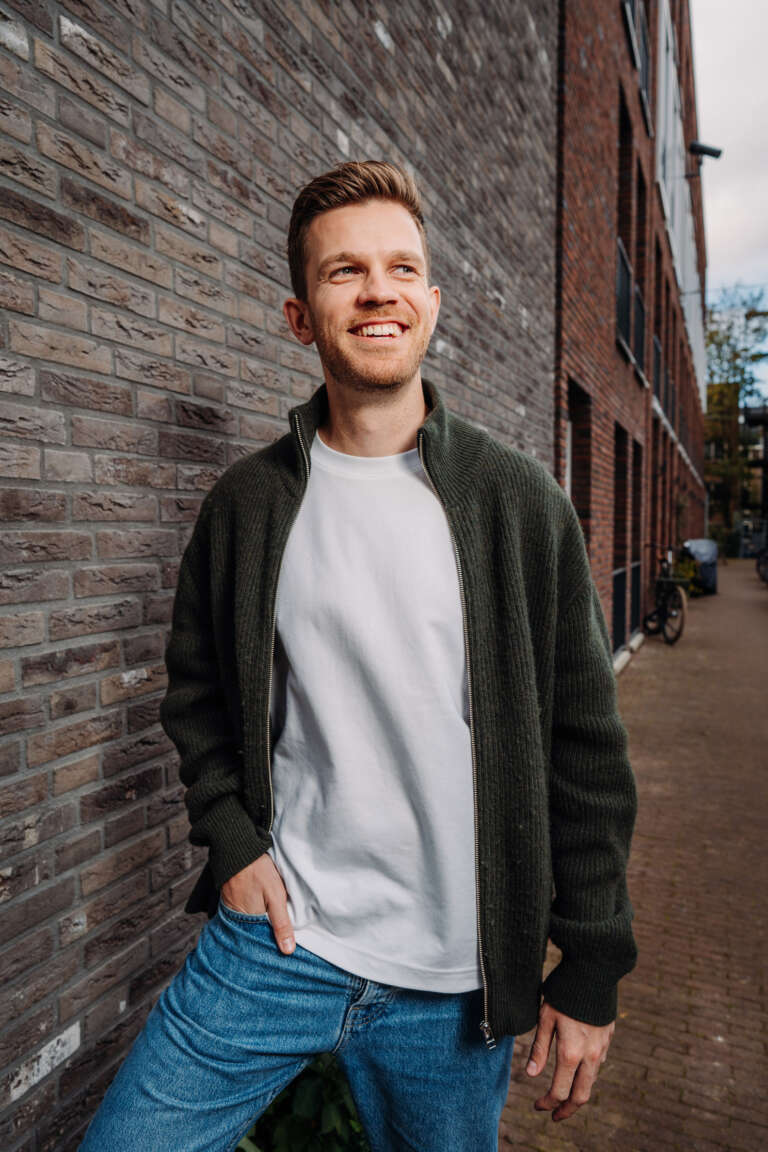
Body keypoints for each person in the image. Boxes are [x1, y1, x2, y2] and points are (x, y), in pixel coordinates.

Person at [79, 160, 637, 1152]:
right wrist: (234, 843)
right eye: (344, 273)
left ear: (430, 302)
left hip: (454, 983)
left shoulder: (521, 508)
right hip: (278, 946)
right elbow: (197, 694)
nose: (376, 289)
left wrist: (590, 961)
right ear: (302, 317)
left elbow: (585, 752)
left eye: (399, 269)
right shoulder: (248, 508)